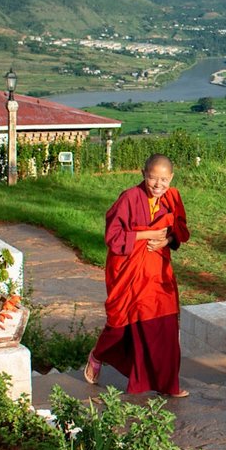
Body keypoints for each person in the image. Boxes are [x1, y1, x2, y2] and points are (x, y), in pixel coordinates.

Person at [85, 154, 190, 397]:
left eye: (164, 179)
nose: (158, 184)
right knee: (120, 325)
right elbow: (113, 236)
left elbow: (181, 230)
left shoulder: (173, 197)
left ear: (171, 178)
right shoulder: (129, 198)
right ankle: (98, 355)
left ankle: (168, 384)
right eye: (153, 178)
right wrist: (146, 235)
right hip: (128, 270)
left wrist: (167, 239)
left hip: (157, 273)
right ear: (143, 174)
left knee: (163, 326)